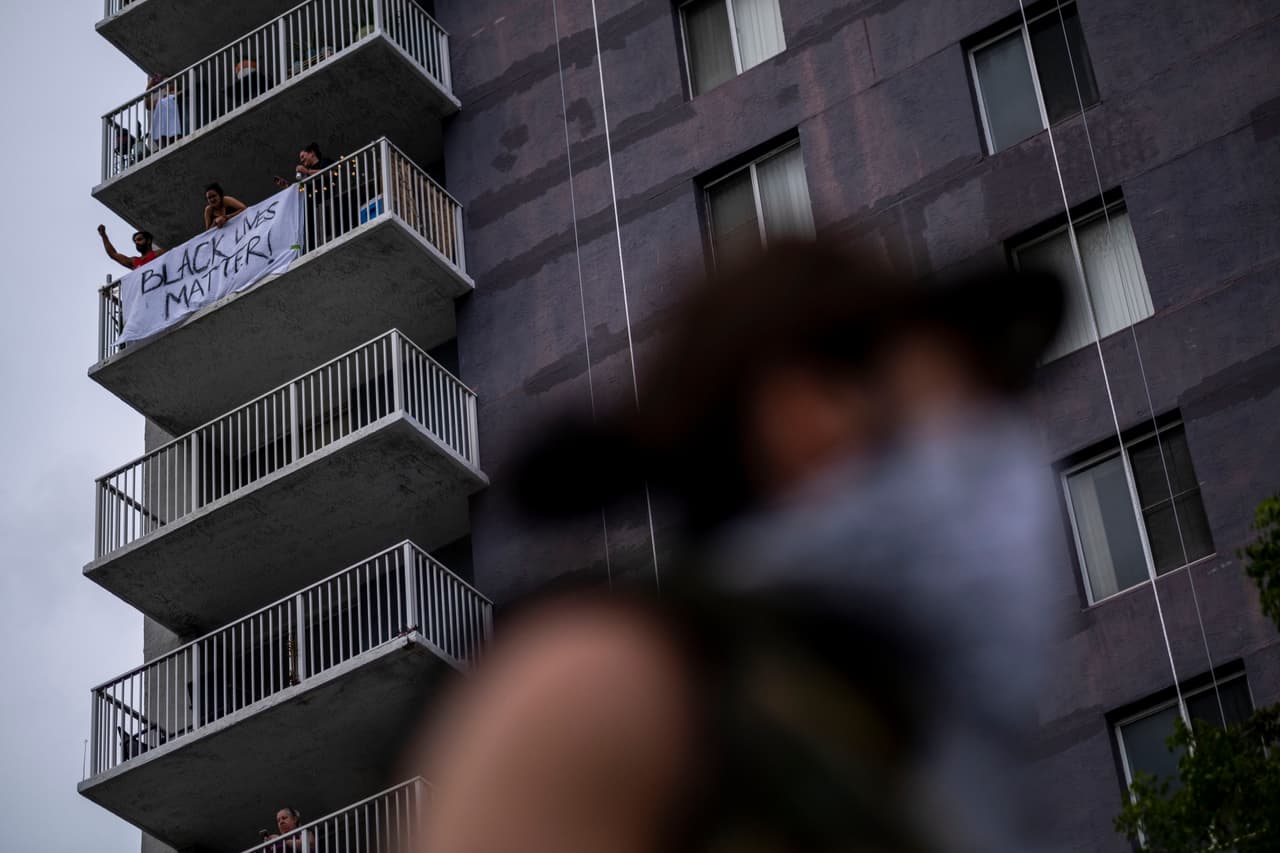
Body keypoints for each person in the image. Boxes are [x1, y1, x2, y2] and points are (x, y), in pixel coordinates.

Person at [409, 239, 1066, 853]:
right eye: (946, 413)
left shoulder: (912, 740)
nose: (987, 461)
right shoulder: (607, 685)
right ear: (799, 410)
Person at [97, 224, 162, 271]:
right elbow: (113, 254)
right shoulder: (134, 261)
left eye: (139, 239)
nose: (136, 242)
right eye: (135, 241)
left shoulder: (160, 253)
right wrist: (103, 236)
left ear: (148, 241)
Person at [146, 73, 183, 148]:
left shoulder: (181, 93)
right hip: (163, 131)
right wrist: (150, 86)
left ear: (175, 83)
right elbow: (148, 106)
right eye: (164, 84)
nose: (166, 85)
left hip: (176, 128)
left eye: (169, 82)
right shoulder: (162, 99)